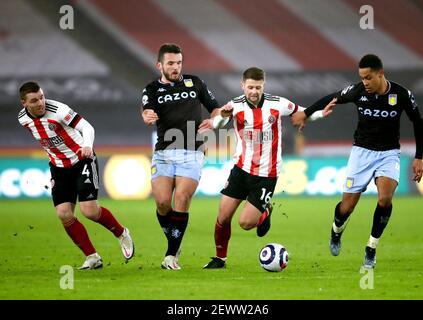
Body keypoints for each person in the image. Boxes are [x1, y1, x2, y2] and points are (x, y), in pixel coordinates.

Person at [291, 54, 423, 269]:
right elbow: (332, 97)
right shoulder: (358, 91)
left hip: (388, 153)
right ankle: (336, 231)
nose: (365, 82)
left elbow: (418, 123)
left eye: (368, 77)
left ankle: (371, 248)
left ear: (380, 73)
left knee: (384, 199)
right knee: (347, 207)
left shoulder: (401, 94)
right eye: (362, 78)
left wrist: (418, 157)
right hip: (361, 153)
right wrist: (306, 113)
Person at [201, 67, 324, 269]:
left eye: (258, 87)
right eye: (250, 87)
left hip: (267, 174)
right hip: (241, 169)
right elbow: (219, 122)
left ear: (263, 85)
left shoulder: (278, 104)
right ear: (243, 86)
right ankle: (220, 259)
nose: (254, 91)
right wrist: (221, 117)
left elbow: (304, 113)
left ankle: (264, 211)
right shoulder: (236, 105)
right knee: (223, 216)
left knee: (246, 223)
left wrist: (321, 114)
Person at [18, 81, 134, 270]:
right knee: (64, 214)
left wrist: (87, 145)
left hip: (81, 160)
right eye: (34, 100)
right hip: (58, 167)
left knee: (89, 211)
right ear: (24, 103)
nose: (40, 102)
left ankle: (122, 233)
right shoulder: (23, 119)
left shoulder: (59, 110)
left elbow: (87, 127)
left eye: (41, 97)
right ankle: (92, 256)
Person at [141, 43, 221, 270]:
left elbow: (215, 108)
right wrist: (147, 115)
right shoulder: (151, 89)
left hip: (192, 149)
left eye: (178, 63)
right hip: (164, 151)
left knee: (182, 199)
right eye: (171, 63)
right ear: (160, 65)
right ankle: (175, 241)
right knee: (163, 202)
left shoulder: (195, 83)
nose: (176, 67)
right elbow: (146, 109)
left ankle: (170, 254)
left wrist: (214, 122)